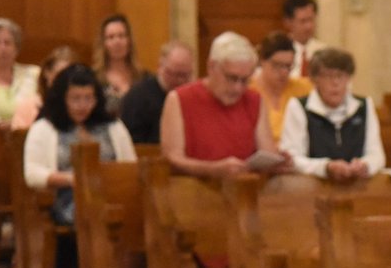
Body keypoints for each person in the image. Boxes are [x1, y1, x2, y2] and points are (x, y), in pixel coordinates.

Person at [159, 31, 288, 179]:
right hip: (191, 193)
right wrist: (212, 170)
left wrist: (278, 163)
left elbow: (267, 154)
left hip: (245, 193)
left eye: (245, 80)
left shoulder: (254, 100)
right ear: (211, 67)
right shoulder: (179, 99)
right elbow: (172, 160)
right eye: (232, 78)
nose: (238, 88)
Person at [23, 64, 136, 226]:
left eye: (88, 98)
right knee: (94, 212)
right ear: (63, 99)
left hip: (112, 193)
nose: (83, 106)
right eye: (75, 99)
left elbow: (130, 166)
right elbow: (32, 173)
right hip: (67, 196)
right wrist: (72, 179)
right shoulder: (44, 128)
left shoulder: (113, 127)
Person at [281, 47, 386, 181]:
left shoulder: (364, 105)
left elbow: (377, 155)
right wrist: (325, 167)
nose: (335, 83)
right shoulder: (298, 107)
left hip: (357, 185)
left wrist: (365, 165)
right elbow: (292, 158)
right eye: (328, 76)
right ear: (315, 79)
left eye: (340, 76)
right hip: (313, 186)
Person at [119, 40, 195, 145]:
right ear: (160, 67)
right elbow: (134, 145)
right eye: (174, 74)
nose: (180, 81)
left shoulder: (193, 97)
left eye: (185, 75)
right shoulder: (137, 97)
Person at [250, 31, 312, 144]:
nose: (284, 72)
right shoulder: (249, 89)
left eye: (288, 66)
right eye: (277, 65)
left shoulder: (304, 88)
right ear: (262, 60)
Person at [94, 13, 151, 116]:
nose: (117, 42)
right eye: (111, 37)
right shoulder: (94, 79)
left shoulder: (144, 78)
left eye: (122, 36)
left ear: (129, 41)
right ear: (103, 44)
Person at [12, 45, 74, 130]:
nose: (63, 82)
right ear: (47, 73)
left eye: (68, 76)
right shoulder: (27, 107)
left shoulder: (80, 110)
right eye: (59, 75)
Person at [282, 0, 324, 77]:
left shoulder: (324, 52)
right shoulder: (279, 52)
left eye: (311, 20)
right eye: (303, 21)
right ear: (288, 22)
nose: (308, 26)